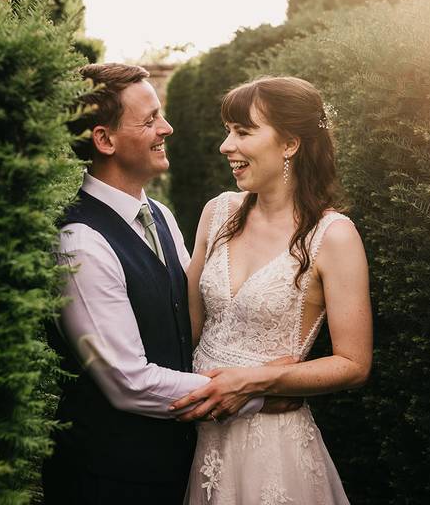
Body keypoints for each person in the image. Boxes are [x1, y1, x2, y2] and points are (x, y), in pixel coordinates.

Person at [42, 63, 273, 505]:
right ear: (104, 140)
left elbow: (190, 322)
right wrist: (254, 393)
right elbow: (128, 382)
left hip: (174, 467)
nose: (166, 128)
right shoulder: (79, 242)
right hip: (107, 479)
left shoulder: (161, 216)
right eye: (149, 120)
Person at [169, 76, 373, 504]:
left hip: (270, 448)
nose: (227, 146)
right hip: (194, 436)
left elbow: (354, 364)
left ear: (290, 144)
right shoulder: (218, 211)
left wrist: (260, 382)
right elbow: (185, 328)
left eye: (243, 132)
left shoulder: (333, 237)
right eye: (228, 130)